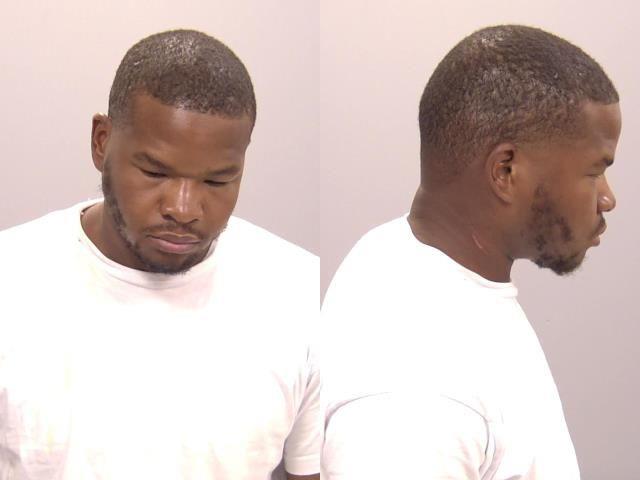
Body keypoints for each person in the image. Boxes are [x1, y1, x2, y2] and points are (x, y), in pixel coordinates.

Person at [0, 29, 319, 480]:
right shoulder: (10, 280)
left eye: (217, 181)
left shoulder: (300, 294)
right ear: (101, 142)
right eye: (155, 172)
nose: (184, 209)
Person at [321, 25, 620, 479]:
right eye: (594, 171)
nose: (607, 198)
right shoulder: (415, 395)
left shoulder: (399, 255)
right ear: (506, 171)